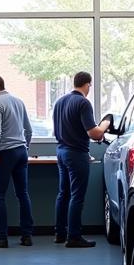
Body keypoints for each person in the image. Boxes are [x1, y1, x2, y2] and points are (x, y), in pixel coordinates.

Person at [52, 71, 110, 248]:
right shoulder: (83, 103)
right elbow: (94, 133)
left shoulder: (60, 102)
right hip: (76, 154)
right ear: (88, 85)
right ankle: (74, 236)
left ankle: (60, 234)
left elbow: (57, 130)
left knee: (64, 194)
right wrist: (106, 123)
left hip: (61, 152)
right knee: (77, 196)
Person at [0, 74, 34, 249]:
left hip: (5, 153)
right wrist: (25, 147)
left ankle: (1, 237)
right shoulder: (19, 101)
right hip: (21, 152)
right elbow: (29, 129)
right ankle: (27, 236)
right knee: (23, 194)